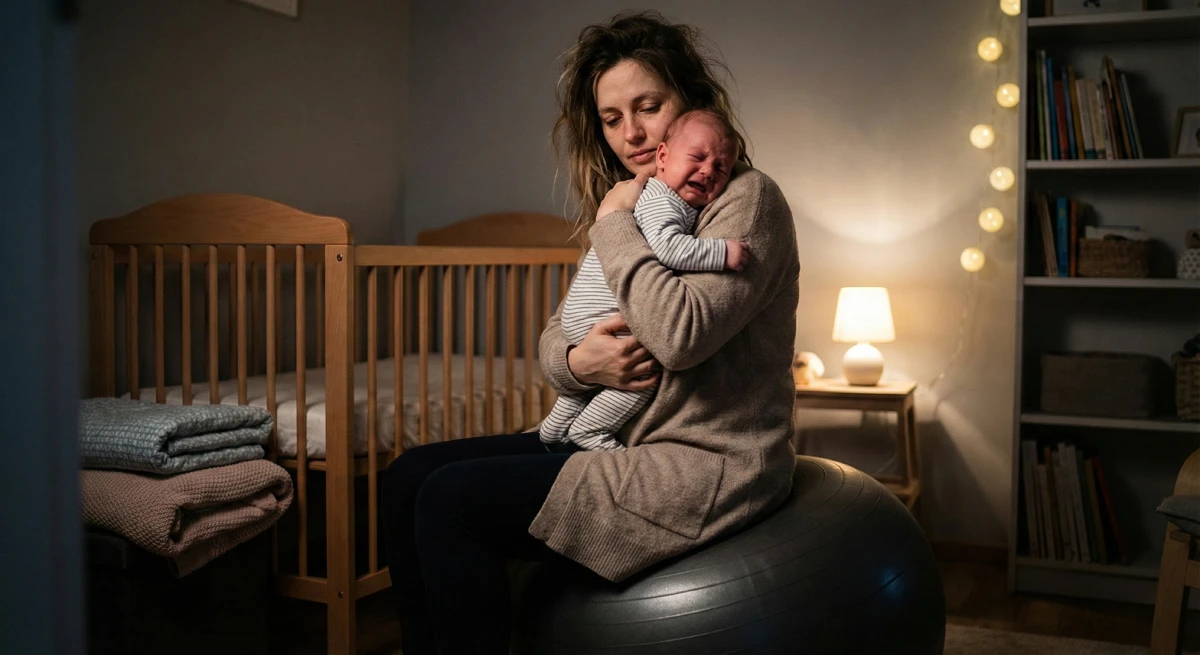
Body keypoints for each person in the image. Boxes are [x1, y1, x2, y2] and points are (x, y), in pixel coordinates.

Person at [381, 11, 799, 655]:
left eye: (648, 106)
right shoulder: (640, 201)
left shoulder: (744, 200)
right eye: (611, 119)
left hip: (702, 462)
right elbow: (557, 336)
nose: (630, 133)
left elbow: (679, 335)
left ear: (691, 104)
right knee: (409, 473)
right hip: (617, 435)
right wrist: (581, 364)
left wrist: (612, 224)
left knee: (451, 501)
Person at [538, 108, 750, 451]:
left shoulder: (650, 198)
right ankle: (589, 434)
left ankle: (552, 431)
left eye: (721, 168)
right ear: (663, 157)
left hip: (584, 320)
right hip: (607, 318)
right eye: (696, 157)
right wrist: (722, 252)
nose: (708, 170)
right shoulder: (660, 199)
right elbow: (668, 249)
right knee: (642, 377)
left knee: (594, 386)